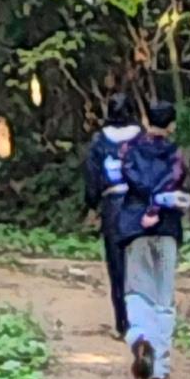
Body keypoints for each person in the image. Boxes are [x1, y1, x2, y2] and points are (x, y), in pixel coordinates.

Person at [116, 97, 189, 379]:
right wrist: (158, 208)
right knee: (163, 296)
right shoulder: (176, 154)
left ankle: (139, 336)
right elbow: (174, 180)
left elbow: (132, 180)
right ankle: (159, 364)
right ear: (171, 125)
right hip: (167, 227)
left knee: (137, 289)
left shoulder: (130, 151)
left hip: (136, 228)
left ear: (148, 121)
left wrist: (146, 210)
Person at [81, 91, 140, 337]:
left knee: (117, 266)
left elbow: (92, 177)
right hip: (138, 204)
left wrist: (92, 204)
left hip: (113, 205)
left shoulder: (99, 141)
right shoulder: (143, 138)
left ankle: (122, 322)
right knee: (140, 265)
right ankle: (142, 320)